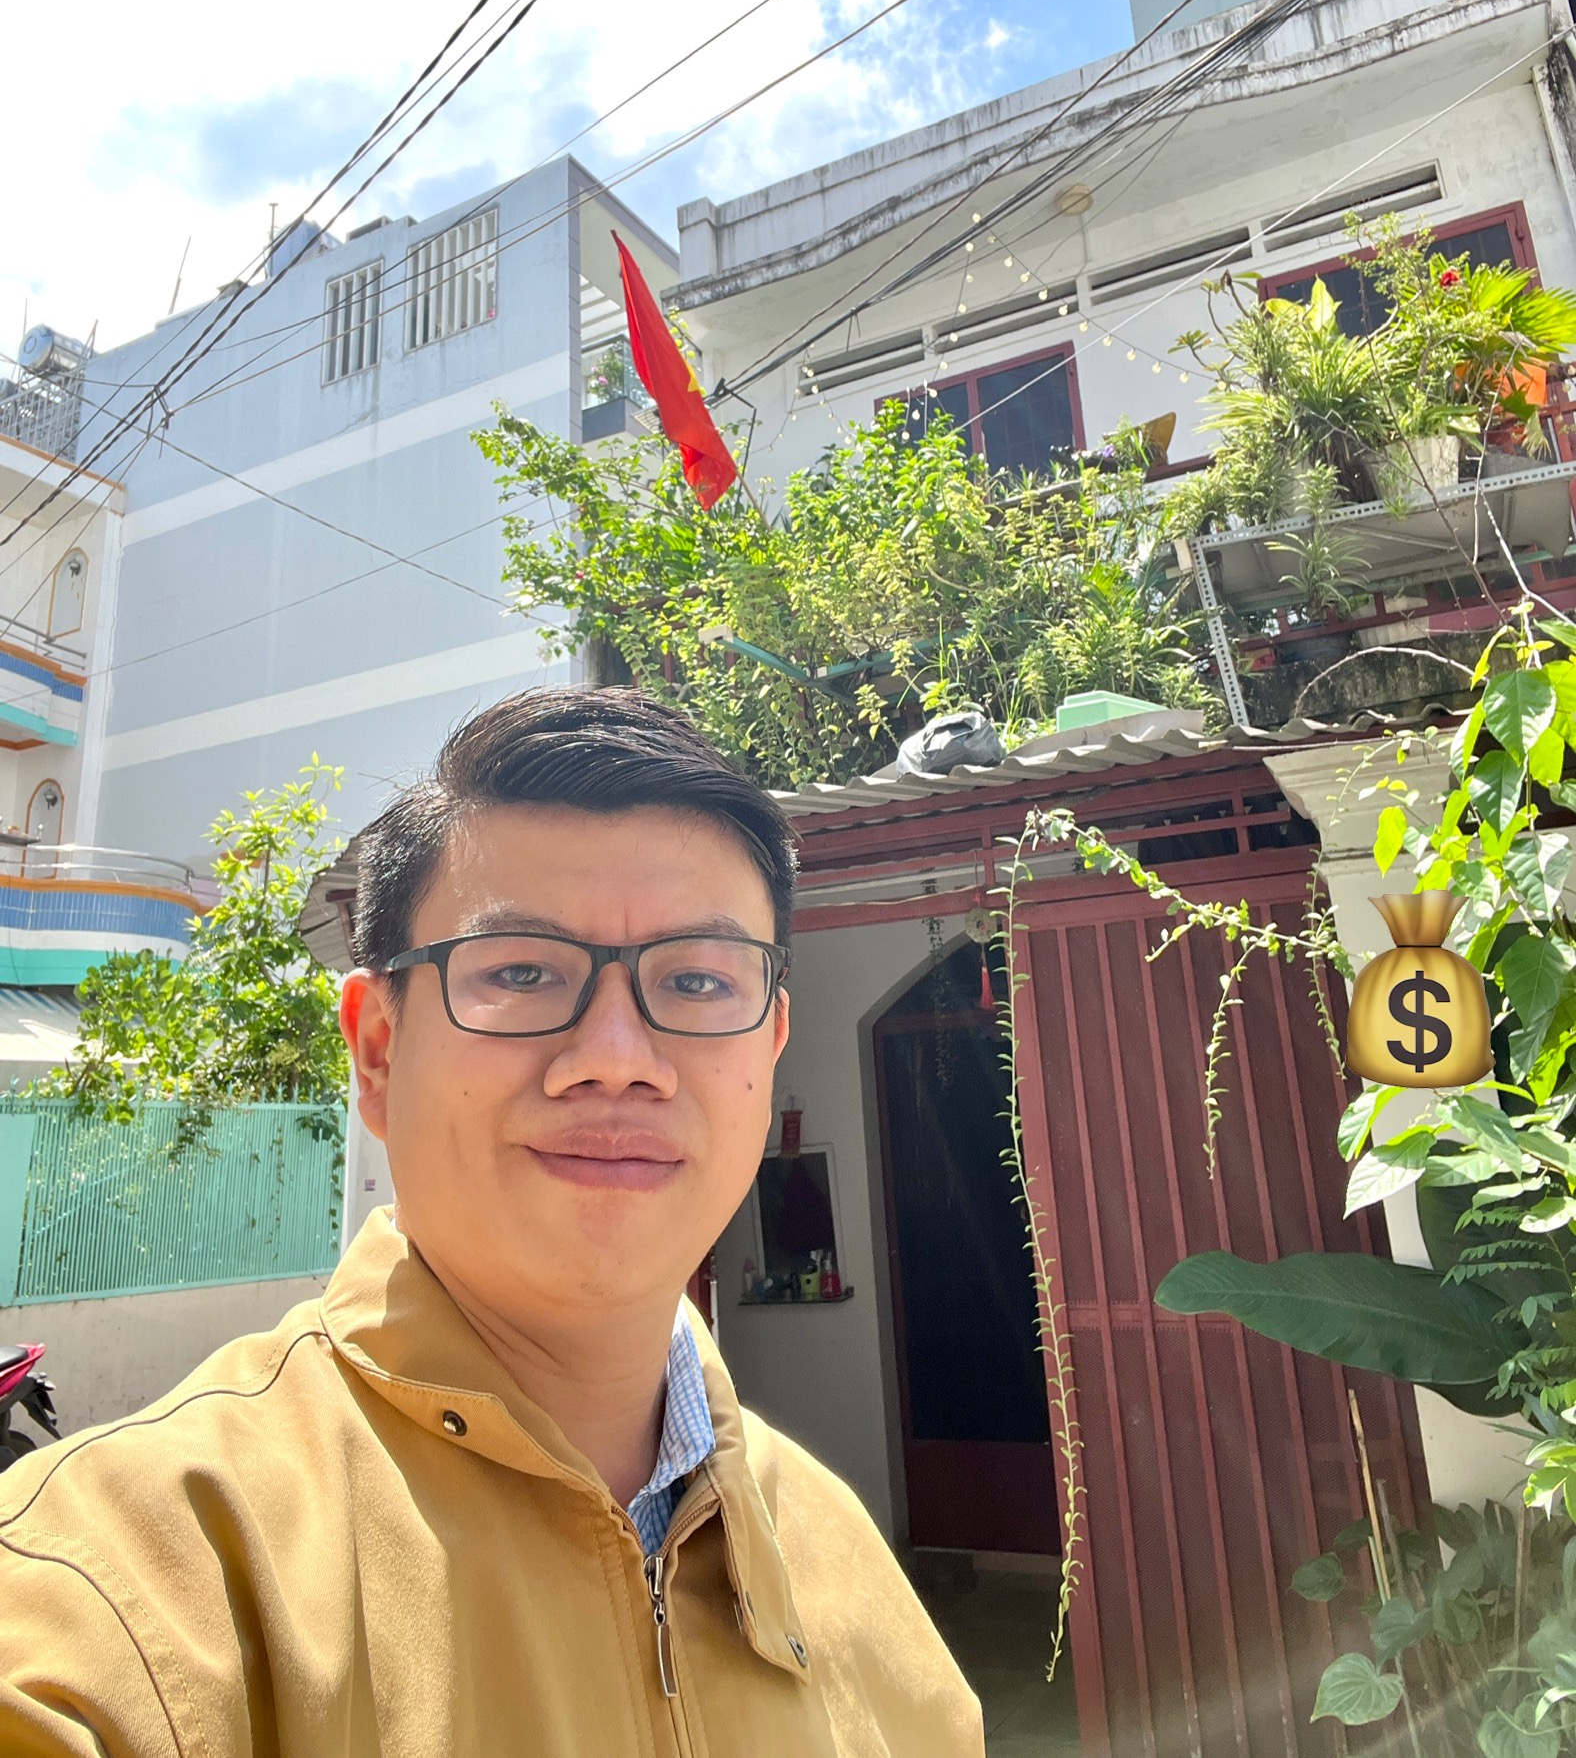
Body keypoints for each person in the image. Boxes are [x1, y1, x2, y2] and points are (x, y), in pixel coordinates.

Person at [0, 689, 984, 1756]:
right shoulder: (130, 1581)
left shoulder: (845, 1563)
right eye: (520, 972)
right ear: (379, 1051)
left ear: (770, 1045)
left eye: (699, 980)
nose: (618, 1058)